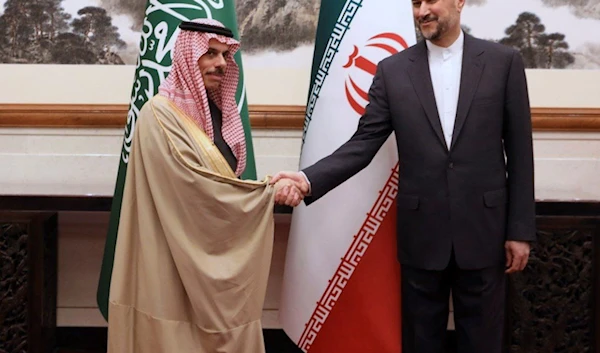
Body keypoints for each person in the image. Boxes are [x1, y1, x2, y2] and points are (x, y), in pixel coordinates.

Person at [272, 0, 535, 352]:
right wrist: (307, 179)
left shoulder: (503, 63)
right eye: (415, 3)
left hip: (484, 232)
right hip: (421, 235)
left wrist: (519, 231)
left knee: (483, 342)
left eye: (430, 1)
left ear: (459, 2)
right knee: (420, 341)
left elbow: (520, 154)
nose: (421, 10)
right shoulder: (393, 71)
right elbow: (363, 144)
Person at [107, 18, 299, 353]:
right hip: (166, 254)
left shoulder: (218, 112)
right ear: (186, 54)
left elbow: (219, 183)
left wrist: (261, 190)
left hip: (206, 248)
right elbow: (193, 189)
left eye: (225, 55)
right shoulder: (159, 115)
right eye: (210, 53)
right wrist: (266, 190)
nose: (221, 63)